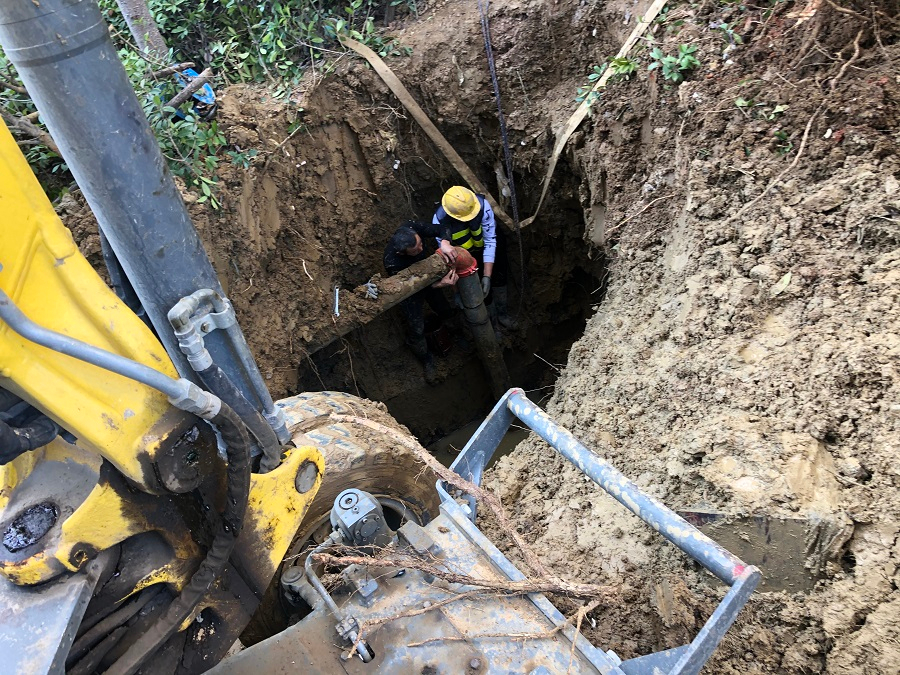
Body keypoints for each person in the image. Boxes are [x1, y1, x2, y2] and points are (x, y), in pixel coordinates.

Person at [383, 221, 459, 383]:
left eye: (421, 244)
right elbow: (407, 287)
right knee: (417, 328)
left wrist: (445, 243)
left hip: (429, 277)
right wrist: (439, 284)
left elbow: (443, 228)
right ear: (402, 253)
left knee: (445, 310)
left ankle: (456, 334)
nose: (421, 249)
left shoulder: (411, 227)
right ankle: (426, 360)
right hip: (409, 292)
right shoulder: (392, 262)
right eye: (416, 250)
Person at [432, 186, 512, 327]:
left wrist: (487, 275)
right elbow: (449, 259)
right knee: (480, 288)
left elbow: (490, 240)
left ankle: (503, 313)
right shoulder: (439, 221)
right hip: (467, 258)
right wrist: (456, 291)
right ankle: (493, 323)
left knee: (499, 276)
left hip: (488, 244)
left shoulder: (482, 207)